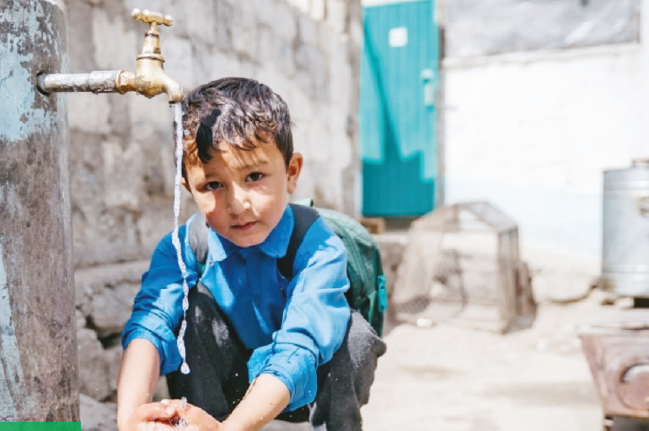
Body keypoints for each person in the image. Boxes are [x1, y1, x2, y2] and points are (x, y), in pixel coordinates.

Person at [116, 77, 387, 431]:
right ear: (188, 188)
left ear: (291, 173)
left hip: (306, 386)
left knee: (352, 337)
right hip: (230, 386)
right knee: (189, 309)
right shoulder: (182, 248)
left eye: (255, 176)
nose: (237, 204)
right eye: (212, 185)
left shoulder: (318, 246)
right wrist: (130, 420)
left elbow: (301, 345)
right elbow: (149, 326)